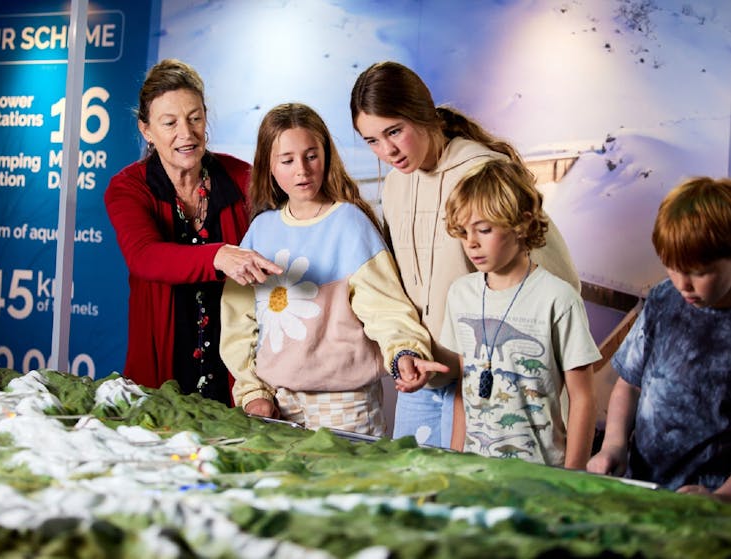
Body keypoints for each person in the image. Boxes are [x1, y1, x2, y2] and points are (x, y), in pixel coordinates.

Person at [350, 60, 581, 448]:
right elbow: (399, 288)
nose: (387, 150)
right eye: (372, 140)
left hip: (487, 380)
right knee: (416, 491)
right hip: (425, 377)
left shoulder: (486, 173)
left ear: (422, 115)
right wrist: (406, 349)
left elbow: (558, 280)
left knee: (475, 497)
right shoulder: (393, 186)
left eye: (395, 131)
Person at [219, 102, 448, 435]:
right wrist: (253, 391)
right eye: (287, 160)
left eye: (311, 155)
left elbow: (385, 309)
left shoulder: (351, 224)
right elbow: (239, 323)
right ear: (268, 165)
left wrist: (404, 352)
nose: (302, 169)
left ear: (326, 155)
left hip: (348, 406)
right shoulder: (259, 231)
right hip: (276, 405)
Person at [104, 59, 280, 406]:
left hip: (241, 378)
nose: (186, 134)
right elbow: (144, 257)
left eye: (195, 118)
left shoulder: (243, 178)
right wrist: (219, 255)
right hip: (162, 376)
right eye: (169, 123)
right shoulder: (128, 188)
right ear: (147, 131)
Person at [439, 159, 600, 468]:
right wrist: (456, 460)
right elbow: (465, 385)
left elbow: (583, 399)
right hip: (475, 470)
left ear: (522, 225)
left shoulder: (558, 298)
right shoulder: (460, 294)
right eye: (463, 232)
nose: (471, 243)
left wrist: (575, 477)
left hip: (542, 471)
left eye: (484, 230)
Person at [587, 177, 731, 500]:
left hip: (709, 502)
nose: (683, 284)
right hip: (645, 484)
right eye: (671, 267)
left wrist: (720, 497)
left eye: (699, 271)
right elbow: (629, 385)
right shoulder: (663, 298)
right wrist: (613, 444)